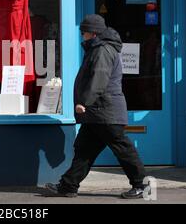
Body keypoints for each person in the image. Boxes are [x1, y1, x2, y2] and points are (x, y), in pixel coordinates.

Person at [45, 14, 146, 199]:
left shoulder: (102, 50)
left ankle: (142, 185)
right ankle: (68, 186)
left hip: (105, 111)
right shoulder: (98, 48)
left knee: (123, 149)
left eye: (83, 32)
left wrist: (84, 102)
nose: (81, 35)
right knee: (84, 150)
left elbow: (99, 79)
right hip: (98, 113)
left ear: (92, 33)